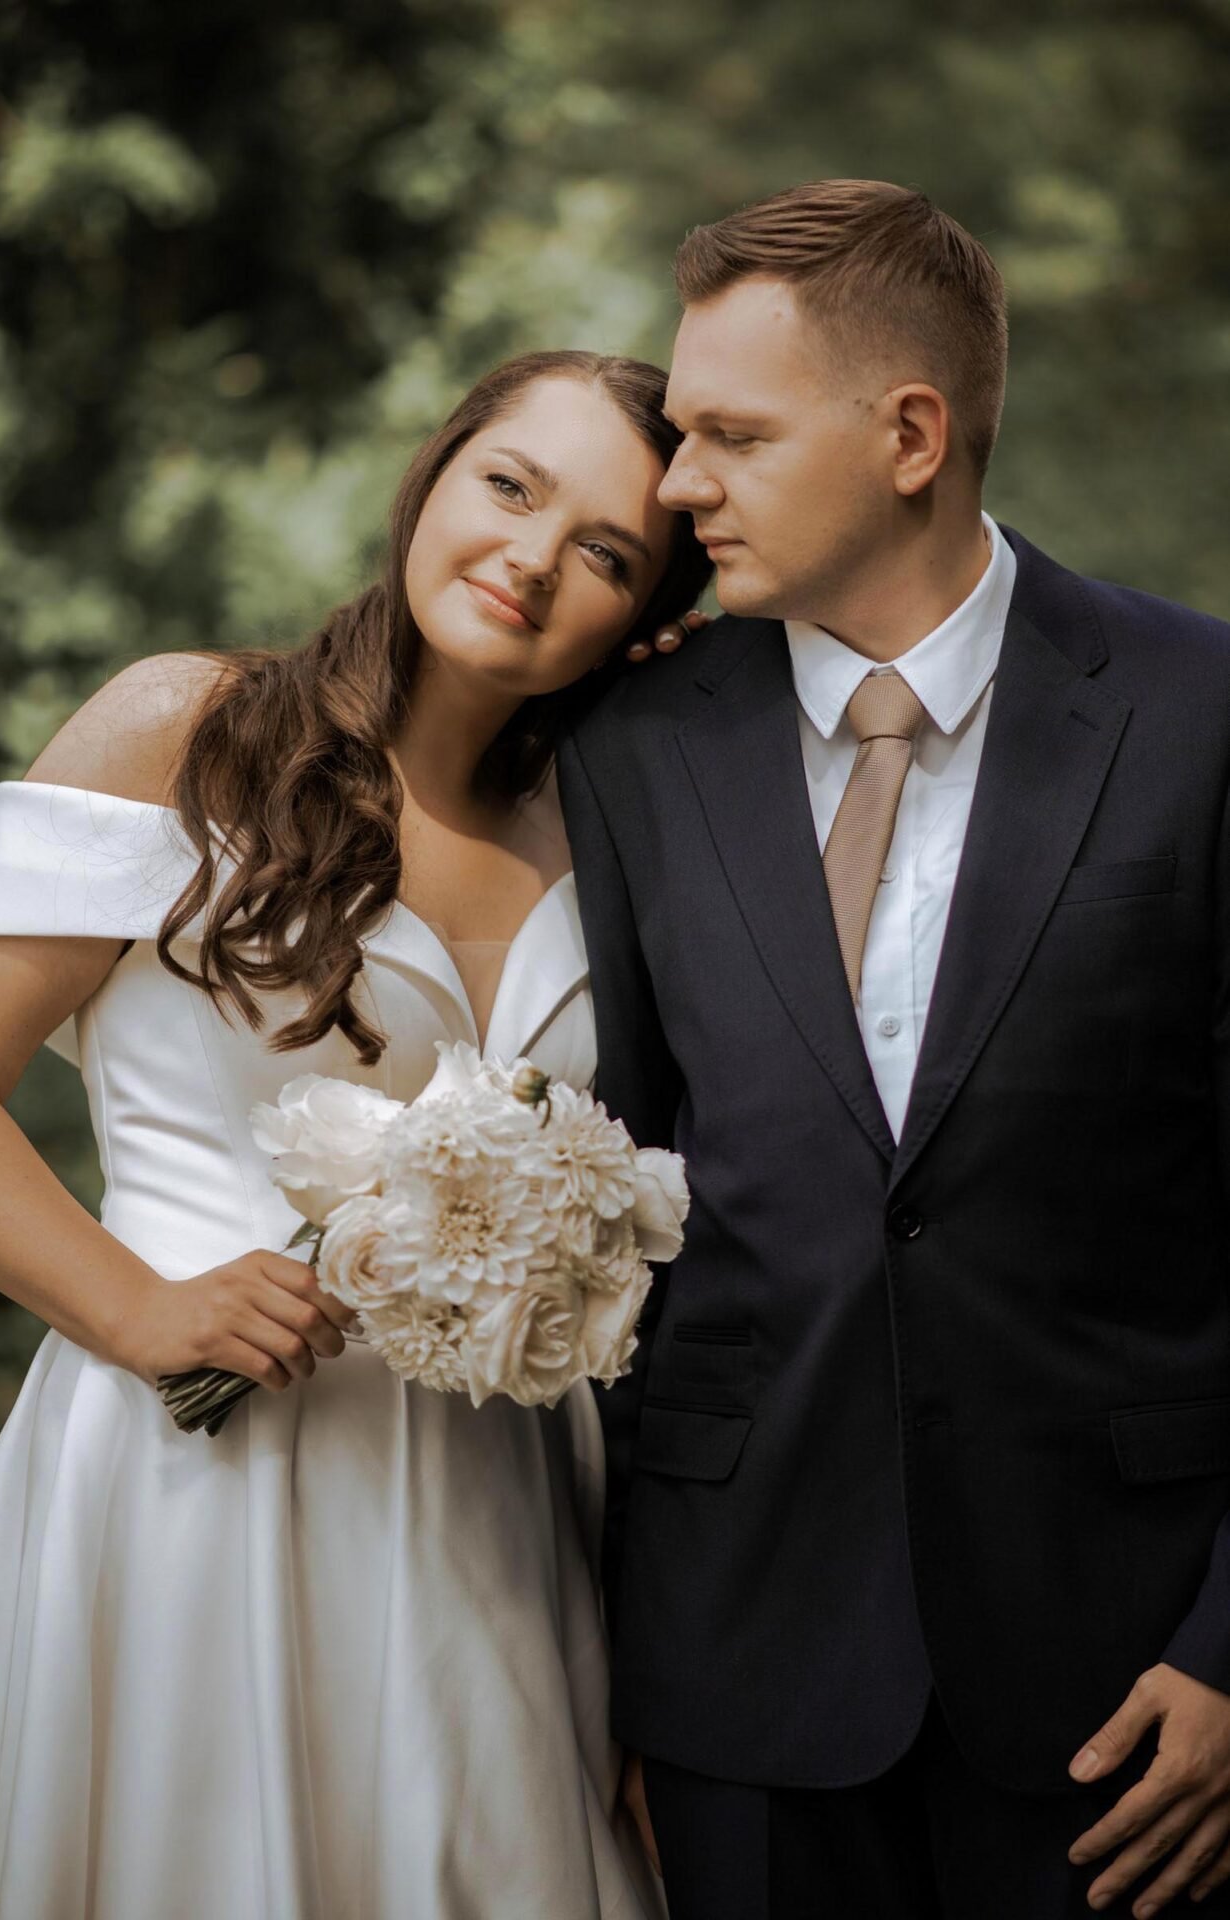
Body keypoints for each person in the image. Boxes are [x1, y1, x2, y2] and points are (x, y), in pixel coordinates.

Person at [0, 347, 709, 1919]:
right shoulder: (187, 728)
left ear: (646, 612)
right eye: (510, 485)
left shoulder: (623, 832)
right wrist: (138, 1308)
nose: (529, 558)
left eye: (606, 553)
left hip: (504, 1526)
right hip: (188, 1484)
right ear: (434, 473)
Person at [558, 180, 1230, 1919]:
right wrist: (620, 1674)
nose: (677, 478)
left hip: (1133, 1690)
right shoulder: (633, 743)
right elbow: (625, 1192)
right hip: (737, 1674)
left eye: (729, 433)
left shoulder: (1200, 711)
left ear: (910, 432)